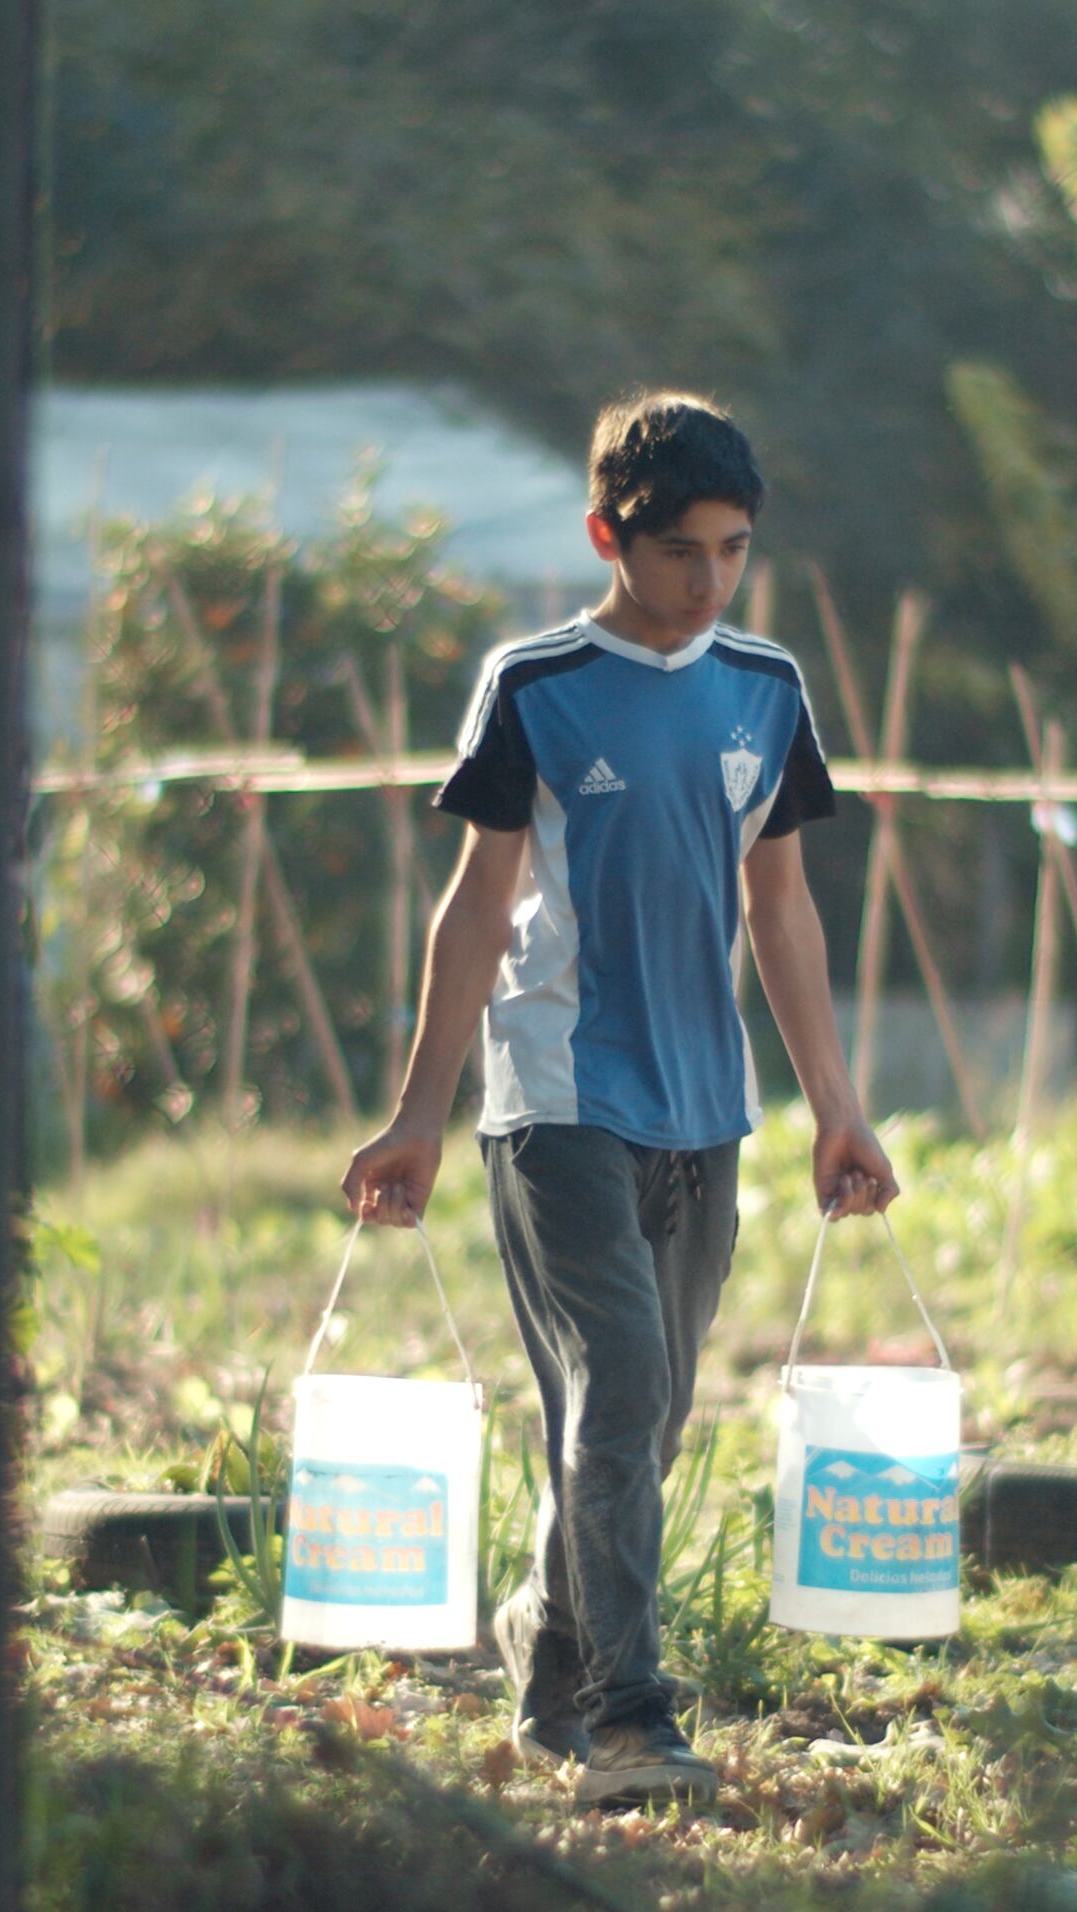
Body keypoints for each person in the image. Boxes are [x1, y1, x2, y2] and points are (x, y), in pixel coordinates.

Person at [341, 391, 899, 1809]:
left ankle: (546, 1644)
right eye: (679, 553)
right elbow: (478, 909)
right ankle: (632, 1715)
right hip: (557, 1099)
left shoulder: (766, 687)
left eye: (734, 551)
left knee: (644, 1426)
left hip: (706, 1110)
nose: (709, 583)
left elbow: (782, 909)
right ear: (609, 538)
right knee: (619, 1386)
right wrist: (417, 1115)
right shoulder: (535, 684)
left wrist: (837, 1106)